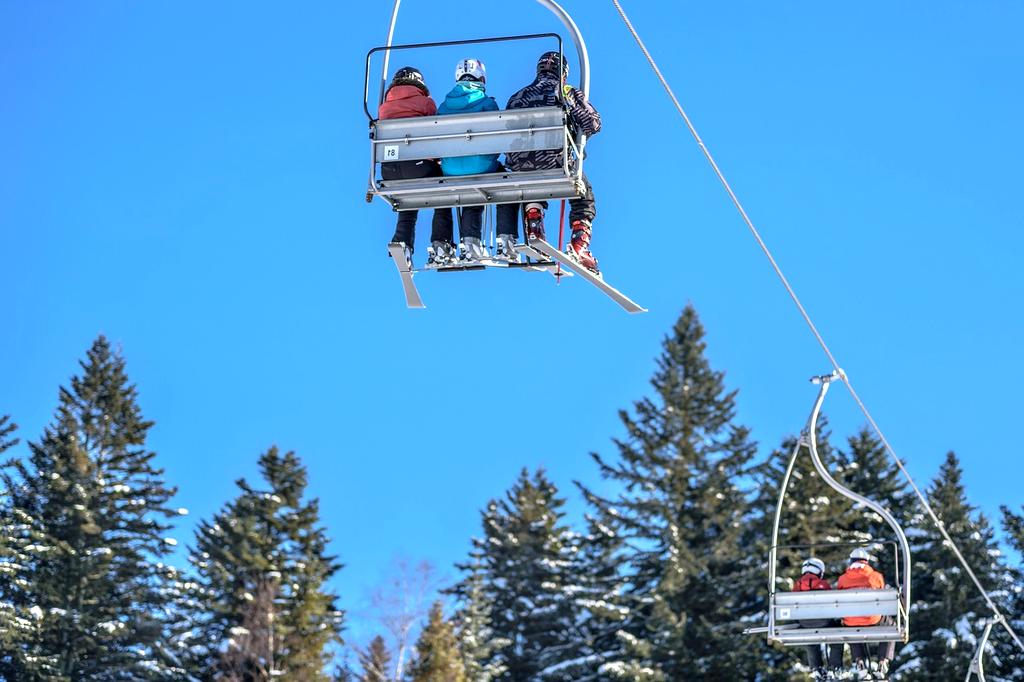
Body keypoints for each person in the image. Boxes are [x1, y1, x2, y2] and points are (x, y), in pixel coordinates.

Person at [496, 51, 603, 272]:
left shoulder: (517, 97)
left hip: (520, 165)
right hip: (555, 161)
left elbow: (505, 131)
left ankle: (534, 223)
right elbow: (592, 123)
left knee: (531, 181)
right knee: (584, 196)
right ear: (562, 71)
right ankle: (579, 245)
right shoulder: (564, 91)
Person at [378, 67, 454, 263]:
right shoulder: (425, 103)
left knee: (407, 201)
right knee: (444, 195)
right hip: (419, 166)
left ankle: (402, 243)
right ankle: (441, 242)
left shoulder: (383, 108)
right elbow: (434, 133)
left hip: (390, 169)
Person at [434, 58, 502, 263]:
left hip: (450, 169)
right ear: (482, 77)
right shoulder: (487, 103)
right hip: (480, 166)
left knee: (444, 193)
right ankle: (472, 241)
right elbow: (498, 138)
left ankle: (440, 243)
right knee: (482, 183)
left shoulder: (444, 107)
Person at [837, 548, 896, 676]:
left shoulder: (843, 579)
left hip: (851, 620)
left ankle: (859, 660)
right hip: (872, 618)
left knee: (851, 626)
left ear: (851, 561)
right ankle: (883, 660)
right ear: (867, 562)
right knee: (891, 626)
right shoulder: (876, 576)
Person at [793, 557, 844, 679]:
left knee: (810, 638)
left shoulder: (797, 585)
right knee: (836, 639)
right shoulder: (823, 584)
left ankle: (815, 667)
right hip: (824, 621)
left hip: (804, 622)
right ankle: (835, 667)